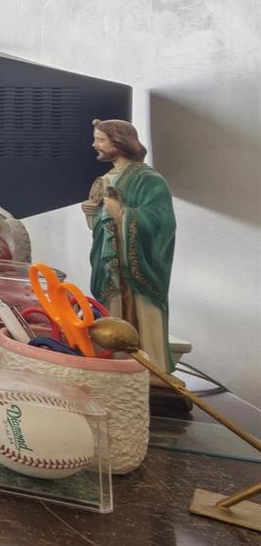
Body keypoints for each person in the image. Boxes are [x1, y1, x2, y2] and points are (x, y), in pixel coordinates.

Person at [82, 119, 176, 371]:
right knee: (111, 312)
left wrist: (124, 214)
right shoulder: (106, 178)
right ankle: (114, 365)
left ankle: (149, 367)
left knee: (139, 317)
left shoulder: (149, 180)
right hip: (111, 268)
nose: (94, 145)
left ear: (119, 143)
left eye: (100, 140)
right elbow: (103, 225)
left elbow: (162, 222)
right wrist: (92, 214)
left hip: (136, 272)